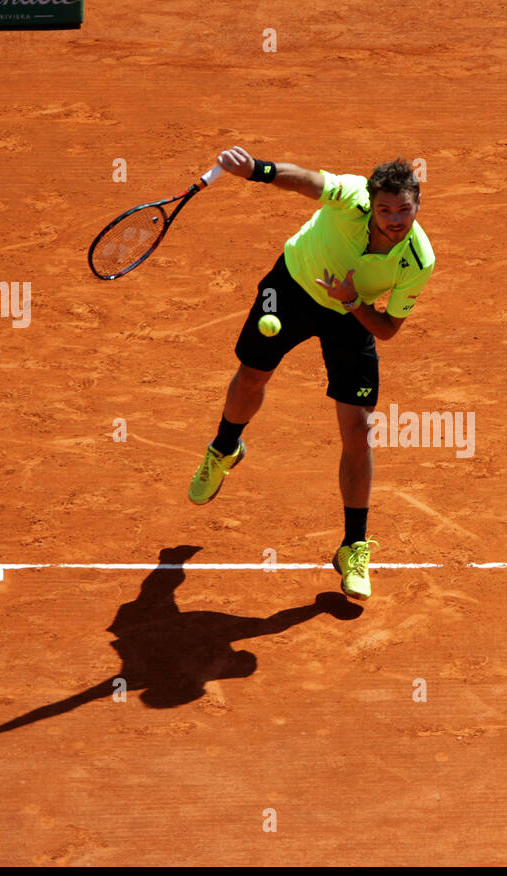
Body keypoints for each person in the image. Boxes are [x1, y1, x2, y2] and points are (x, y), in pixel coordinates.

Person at [189, 146, 435, 600]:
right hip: (294, 285)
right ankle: (224, 448)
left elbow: (388, 330)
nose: (395, 219)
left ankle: (353, 546)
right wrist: (258, 171)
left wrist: (352, 302)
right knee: (251, 376)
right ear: (371, 204)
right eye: (385, 209)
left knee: (358, 431)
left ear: (417, 205)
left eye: (404, 209)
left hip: (350, 312)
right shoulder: (353, 197)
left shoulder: (418, 260)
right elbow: (306, 180)